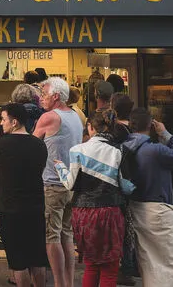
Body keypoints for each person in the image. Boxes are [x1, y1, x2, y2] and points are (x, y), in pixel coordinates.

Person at [54, 110, 134, 287]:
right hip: (110, 212)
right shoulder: (119, 150)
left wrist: (60, 168)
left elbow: (69, 184)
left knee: (91, 264)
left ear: (90, 127)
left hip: (83, 213)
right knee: (110, 267)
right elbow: (127, 187)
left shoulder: (77, 150)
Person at [122, 108, 173, 287]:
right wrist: (166, 134)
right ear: (151, 125)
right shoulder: (155, 151)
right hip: (159, 211)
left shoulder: (123, 147)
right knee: (170, 264)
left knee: (149, 264)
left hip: (136, 209)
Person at [0, 103, 48, 287]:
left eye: (3, 119)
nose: (1, 123)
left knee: (17, 259)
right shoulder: (39, 145)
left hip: (11, 207)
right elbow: (41, 169)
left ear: (14, 122)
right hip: (36, 206)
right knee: (37, 257)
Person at [32, 77, 84, 287]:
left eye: (44, 94)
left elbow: (31, 144)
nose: (41, 98)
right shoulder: (75, 116)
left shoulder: (49, 117)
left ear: (55, 96)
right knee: (67, 234)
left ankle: (59, 283)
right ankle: (68, 283)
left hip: (53, 183)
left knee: (51, 236)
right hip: (71, 183)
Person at [107, 93, 138, 285]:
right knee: (130, 227)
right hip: (133, 181)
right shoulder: (134, 129)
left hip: (120, 183)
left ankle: (126, 268)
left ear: (113, 108)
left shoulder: (117, 131)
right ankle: (132, 264)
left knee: (123, 229)